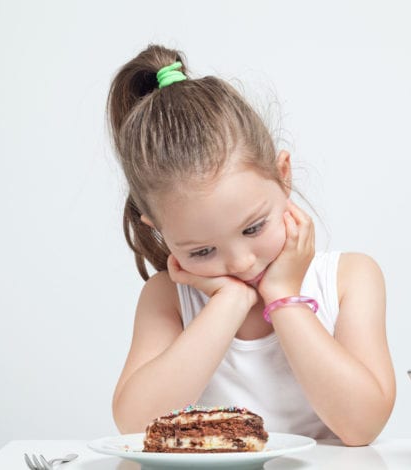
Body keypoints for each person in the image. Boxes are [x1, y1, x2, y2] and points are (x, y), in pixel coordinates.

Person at [106, 44, 396, 446]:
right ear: (159, 230)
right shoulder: (169, 298)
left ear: (283, 176)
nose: (241, 263)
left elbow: (362, 426)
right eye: (202, 251)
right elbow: (136, 426)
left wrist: (282, 296)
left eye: (254, 228)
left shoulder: (349, 279)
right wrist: (228, 303)